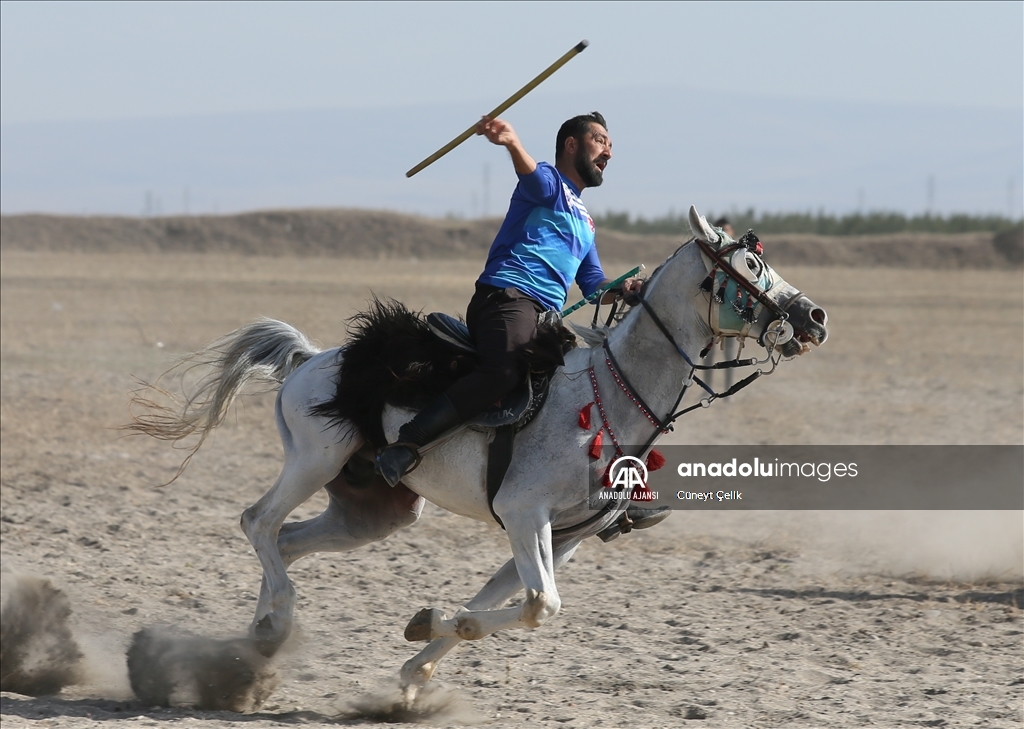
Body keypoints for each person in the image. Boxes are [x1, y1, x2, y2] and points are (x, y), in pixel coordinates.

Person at [377, 111, 642, 487]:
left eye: (611, 146)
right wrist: (513, 143)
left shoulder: (585, 220)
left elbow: (593, 282)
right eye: (600, 141)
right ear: (572, 145)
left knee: (576, 386)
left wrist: (625, 287)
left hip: (543, 316)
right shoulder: (550, 181)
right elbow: (531, 176)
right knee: (504, 372)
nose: (609, 153)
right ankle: (405, 445)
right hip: (507, 297)